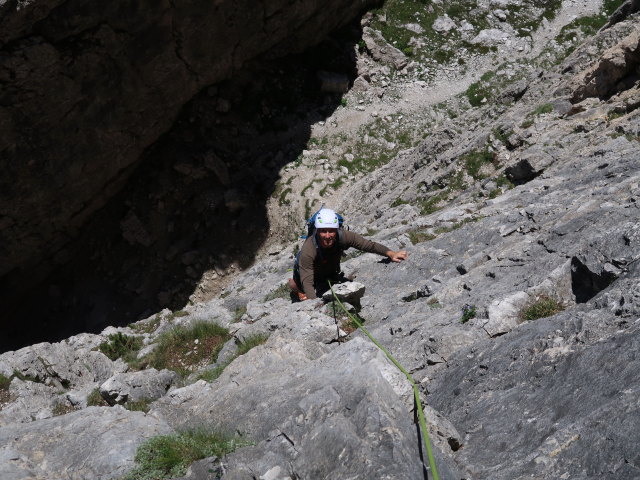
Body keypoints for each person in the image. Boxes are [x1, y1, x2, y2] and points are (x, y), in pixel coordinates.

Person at [288, 208, 408, 301]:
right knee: (295, 285)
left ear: (337, 230)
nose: (328, 235)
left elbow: (367, 245)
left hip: (329, 273)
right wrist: (314, 304)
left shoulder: (344, 236)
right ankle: (298, 291)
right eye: (324, 231)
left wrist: (391, 253)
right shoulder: (309, 249)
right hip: (310, 277)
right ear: (318, 231)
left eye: (331, 230)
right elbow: (307, 283)